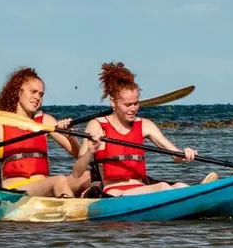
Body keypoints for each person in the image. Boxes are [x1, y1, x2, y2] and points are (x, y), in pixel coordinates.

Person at [77, 62, 216, 196]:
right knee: (163, 187)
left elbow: (176, 156)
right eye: (128, 105)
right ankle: (197, 195)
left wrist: (185, 154)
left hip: (140, 187)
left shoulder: (145, 125)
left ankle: (198, 195)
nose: (133, 109)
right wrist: (91, 151)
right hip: (114, 192)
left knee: (181, 185)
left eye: (136, 103)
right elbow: (77, 171)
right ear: (113, 102)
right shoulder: (97, 125)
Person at [0, 67, 89, 198]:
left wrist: (70, 136)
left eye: (41, 94)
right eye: (33, 92)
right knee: (59, 180)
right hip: (15, 191)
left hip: (43, 186)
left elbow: (79, 155)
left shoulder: (45, 121)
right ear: (18, 91)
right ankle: (69, 210)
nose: (37, 97)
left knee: (87, 176)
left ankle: (91, 204)